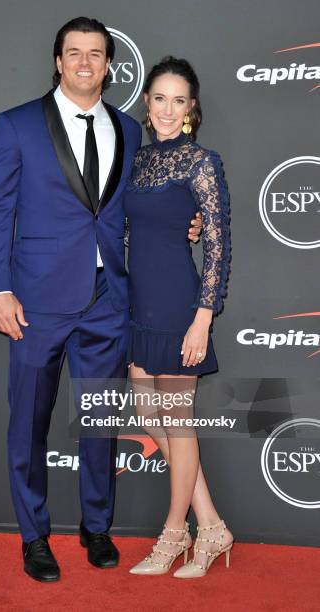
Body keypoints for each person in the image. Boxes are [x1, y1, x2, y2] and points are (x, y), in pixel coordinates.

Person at [0, 19, 202, 583]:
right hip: (36, 301)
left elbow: (147, 206)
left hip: (107, 301)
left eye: (95, 54)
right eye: (73, 53)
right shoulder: (17, 125)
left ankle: (96, 526)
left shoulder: (129, 129)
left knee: (100, 421)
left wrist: (189, 224)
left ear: (108, 65)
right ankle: (33, 535)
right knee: (29, 421)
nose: (84, 63)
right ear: (58, 61)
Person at [124, 56, 233, 578]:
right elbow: (129, 233)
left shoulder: (200, 162)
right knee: (153, 415)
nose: (168, 109)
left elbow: (217, 243)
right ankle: (211, 525)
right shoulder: (138, 163)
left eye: (179, 100)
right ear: (147, 103)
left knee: (177, 419)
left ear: (192, 109)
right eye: (159, 98)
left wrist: (202, 317)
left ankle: (174, 535)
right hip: (138, 306)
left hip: (178, 305)